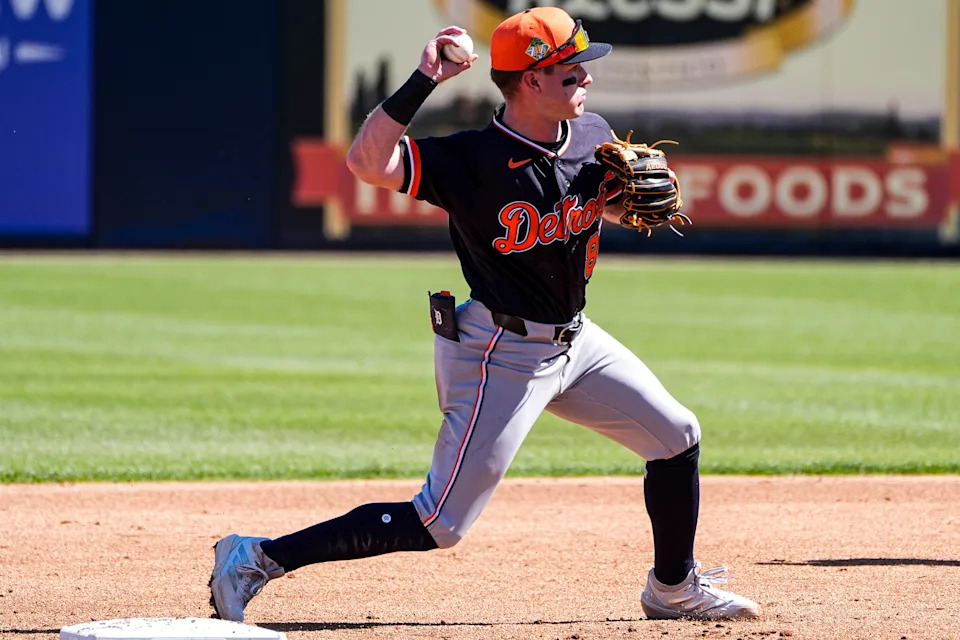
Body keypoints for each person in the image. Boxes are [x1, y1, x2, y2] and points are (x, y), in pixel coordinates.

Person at [209, 6, 760, 623]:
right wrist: (425, 79)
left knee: (676, 436)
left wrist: (625, 208)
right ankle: (255, 557)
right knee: (440, 522)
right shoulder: (469, 161)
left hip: (577, 341)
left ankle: (673, 587)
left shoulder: (591, 132)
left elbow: (589, 211)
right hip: (501, 350)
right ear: (531, 80)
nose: (587, 80)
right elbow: (367, 163)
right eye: (572, 71)